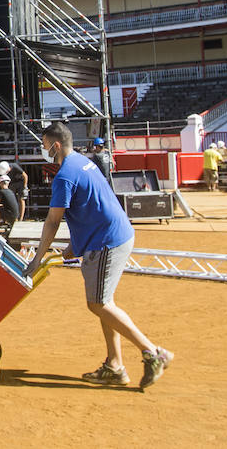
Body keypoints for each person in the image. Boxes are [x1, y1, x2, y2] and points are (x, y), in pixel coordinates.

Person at [26, 120, 173, 389]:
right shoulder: (83, 162)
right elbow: (89, 205)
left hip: (107, 241)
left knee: (97, 304)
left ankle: (153, 352)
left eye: (45, 145)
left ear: (56, 145)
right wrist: (73, 247)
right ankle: (115, 366)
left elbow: (52, 221)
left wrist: (37, 259)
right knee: (105, 302)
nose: (44, 149)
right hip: (111, 235)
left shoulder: (64, 176)